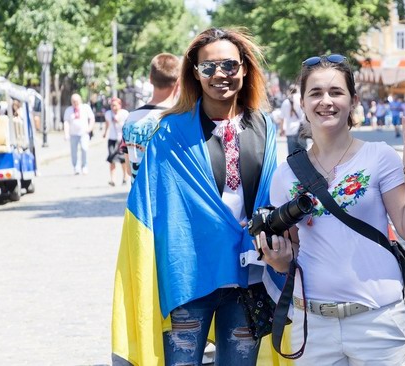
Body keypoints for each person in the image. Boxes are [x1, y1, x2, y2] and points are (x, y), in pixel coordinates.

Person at [112, 27, 281, 366]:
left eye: (230, 66)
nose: (220, 74)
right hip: (189, 278)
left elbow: (271, 198)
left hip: (248, 280)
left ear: (245, 68)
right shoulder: (169, 132)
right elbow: (149, 208)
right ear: (195, 73)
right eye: (208, 67)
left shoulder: (265, 127)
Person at [258, 54, 405, 365]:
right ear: (301, 103)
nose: (326, 101)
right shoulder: (286, 174)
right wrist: (279, 260)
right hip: (313, 325)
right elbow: (291, 252)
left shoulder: (380, 157)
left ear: (352, 100)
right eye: (316, 93)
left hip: (377, 320)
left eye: (336, 92)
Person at [122, 53, 180, 184]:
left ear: (150, 79)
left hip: (138, 201)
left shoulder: (130, 118)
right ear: (179, 81)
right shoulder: (182, 119)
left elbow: (129, 170)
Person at [63, 94, 95, 175]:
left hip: (84, 133)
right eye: (73, 101)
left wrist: (90, 128)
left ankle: (84, 166)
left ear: (80, 100)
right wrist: (66, 133)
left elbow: (91, 118)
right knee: (74, 151)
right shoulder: (69, 110)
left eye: (76, 101)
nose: (75, 103)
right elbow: (66, 122)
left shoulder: (85, 108)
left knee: (84, 149)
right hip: (73, 134)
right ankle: (76, 167)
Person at [103, 97, 129, 186]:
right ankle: (112, 179)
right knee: (111, 159)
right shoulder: (108, 114)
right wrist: (105, 132)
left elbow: (128, 126)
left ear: (119, 105)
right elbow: (107, 123)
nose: (113, 107)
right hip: (112, 139)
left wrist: (119, 122)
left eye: (115, 105)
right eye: (111, 105)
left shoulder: (125, 114)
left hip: (122, 139)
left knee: (122, 159)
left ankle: (125, 177)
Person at [281, 84, 306, 154]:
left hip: (290, 131)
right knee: (303, 156)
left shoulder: (285, 102)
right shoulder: (302, 100)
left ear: (289, 91)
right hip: (301, 131)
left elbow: (282, 118)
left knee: (292, 158)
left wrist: (282, 129)